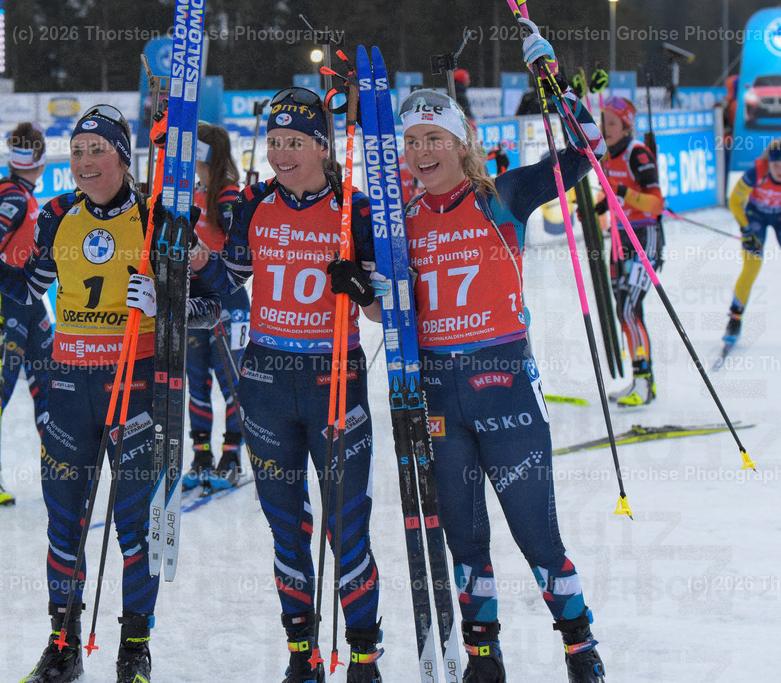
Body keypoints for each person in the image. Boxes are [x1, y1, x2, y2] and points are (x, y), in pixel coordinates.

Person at [0, 105, 221, 683]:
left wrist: (167, 305)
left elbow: (214, 304)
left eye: (97, 150)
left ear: (122, 155)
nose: (85, 162)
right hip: (67, 387)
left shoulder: (159, 219)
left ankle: (134, 647)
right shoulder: (57, 214)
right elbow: (28, 287)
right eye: (77, 151)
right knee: (63, 526)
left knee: (135, 528)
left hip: (135, 389)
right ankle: (62, 644)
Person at [398, 22, 608, 683]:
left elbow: (587, 155)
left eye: (434, 137)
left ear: (462, 144)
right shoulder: (399, 215)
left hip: (506, 385)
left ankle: (578, 641)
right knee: (464, 536)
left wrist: (560, 91)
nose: (421, 150)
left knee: (535, 533)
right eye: (411, 141)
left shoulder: (503, 195)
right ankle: (484, 651)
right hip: (437, 391)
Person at [192, 87, 385, 683]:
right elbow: (229, 278)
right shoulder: (253, 205)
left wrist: (361, 286)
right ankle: (301, 654)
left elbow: (383, 313)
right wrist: (196, 261)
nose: (281, 153)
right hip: (267, 382)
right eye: (274, 141)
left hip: (334, 379)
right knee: (286, 525)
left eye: (294, 142)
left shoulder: (356, 208)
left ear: (322, 148)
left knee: (346, 525)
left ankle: (363, 655)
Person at [0, 122, 56, 506]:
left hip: (31, 304)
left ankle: (58, 475)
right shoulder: (13, 197)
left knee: (48, 387)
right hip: (11, 305)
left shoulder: (22, 194)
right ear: (41, 159)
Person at [182, 122, 251, 491]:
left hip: (228, 300)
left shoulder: (225, 195)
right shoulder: (196, 193)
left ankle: (231, 454)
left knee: (231, 382)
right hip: (194, 300)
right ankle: (201, 455)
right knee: (196, 381)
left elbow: (243, 248)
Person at [594, 96, 664, 407]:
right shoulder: (608, 156)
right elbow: (614, 198)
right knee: (624, 308)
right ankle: (641, 380)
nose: (605, 128)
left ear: (626, 126)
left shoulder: (638, 154)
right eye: (603, 121)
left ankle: (644, 382)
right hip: (620, 239)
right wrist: (596, 206)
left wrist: (622, 192)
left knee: (628, 309)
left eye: (611, 123)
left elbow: (655, 204)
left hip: (644, 237)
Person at [720, 138, 781, 347]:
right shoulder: (757, 172)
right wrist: (745, 230)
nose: (779, 170)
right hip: (755, 216)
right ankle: (735, 318)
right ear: (769, 162)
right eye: (776, 165)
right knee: (752, 267)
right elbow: (735, 201)